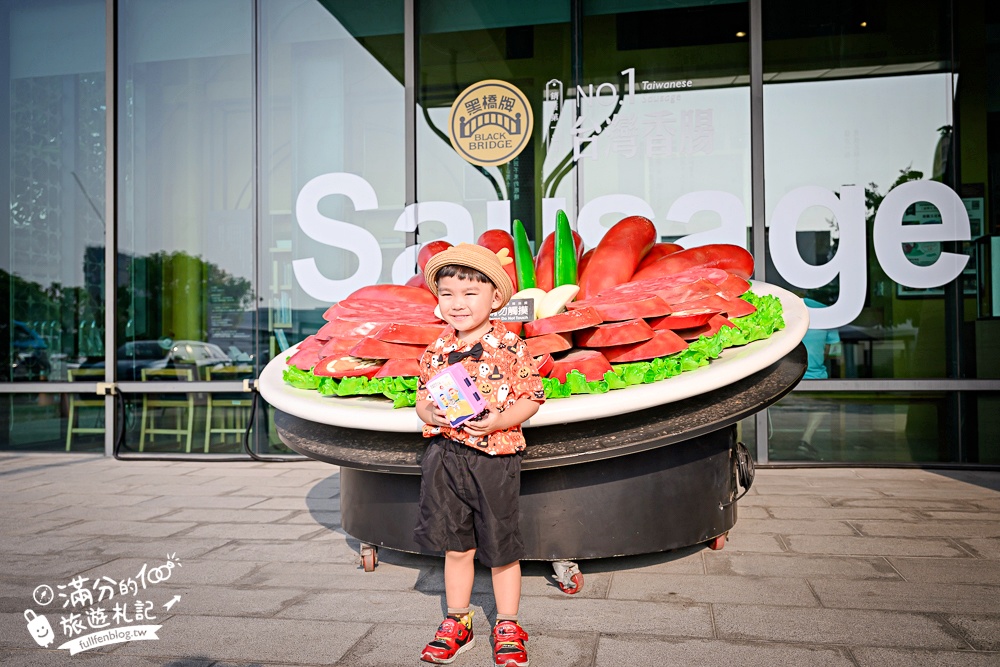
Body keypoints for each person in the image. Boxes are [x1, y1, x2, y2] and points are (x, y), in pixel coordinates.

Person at [414, 243, 545, 667]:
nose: (458, 303)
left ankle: (508, 623)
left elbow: (532, 397)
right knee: (455, 545)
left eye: (470, 293)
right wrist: (427, 412)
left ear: (495, 298)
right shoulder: (435, 350)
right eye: (448, 294)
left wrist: (501, 420)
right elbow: (422, 397)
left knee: (502, 545)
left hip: (494, 460)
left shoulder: (510, 345)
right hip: (445, 456)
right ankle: (459, 620)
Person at [797, 297, 841, 459]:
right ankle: (805, 439)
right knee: (822, 404)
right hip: (816, 376)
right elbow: (834, 352)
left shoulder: (785, 306)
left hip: (785, 376)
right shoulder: (827, 312)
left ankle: (769, 443)